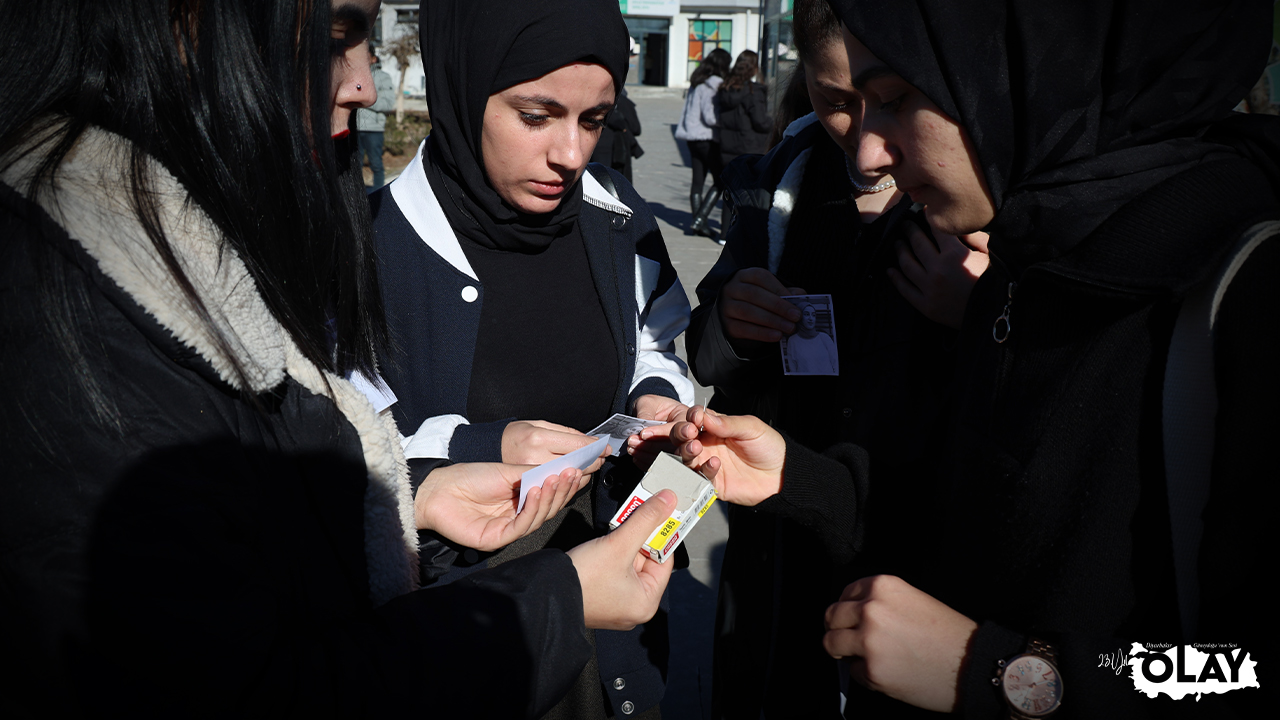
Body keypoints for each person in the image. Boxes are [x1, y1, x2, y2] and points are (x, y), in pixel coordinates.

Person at [0, 0, 679, 716]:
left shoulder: (616, 218)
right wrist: (541, 582)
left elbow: (285, 505)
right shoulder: (79, 303)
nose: (364, 82)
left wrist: (414, 499)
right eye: (335, 37)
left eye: (595, 120)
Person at [673, 0, 1276, 717]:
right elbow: (956, 525)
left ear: (1028, 71)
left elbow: (1245, 670)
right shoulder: (1020, 267)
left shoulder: (1245, 291)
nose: (866, 152)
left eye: (897, 98)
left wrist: (1003, 674)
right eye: (846, 102)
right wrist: (796, 476)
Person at [369, 1, 695, 717]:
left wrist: (656, 400)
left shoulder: (618, 219)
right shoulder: (366, 246)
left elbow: (657, 344)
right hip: (459, 645)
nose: (572, 155)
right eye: (536, 116)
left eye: (593, 120)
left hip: (621, 641)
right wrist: (482, 443)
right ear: (463, 87)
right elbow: (341, 449)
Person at [677, 2, 989, 717]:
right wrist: (731, 320)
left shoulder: (971, 192)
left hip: (906, 535)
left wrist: (973, 312)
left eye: (889, 101)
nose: (866, 135)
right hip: (779, 525)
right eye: (836, 102)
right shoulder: (785, 173)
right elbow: (706, 349)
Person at [675, 47, 731, 239]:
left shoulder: (697, 81)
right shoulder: (713, 84)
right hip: (707, 137)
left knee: (697, 181)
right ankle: (699, 219)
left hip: (691, 137)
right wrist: (728, 121)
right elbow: (710, 116)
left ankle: (699, 225)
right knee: (720, 181)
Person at [715, 50, 771, 168]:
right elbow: (760, 122)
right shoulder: (753, 92)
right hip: (750, 150)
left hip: (727, 149)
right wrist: (774, 123)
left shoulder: (726, 88)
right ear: (753, 68)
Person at [356, 46, 397, 189]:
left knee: (376, 164)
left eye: (365, 56)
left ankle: (379, 195)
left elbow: (388, 103)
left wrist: (365, 99)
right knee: (354, 166)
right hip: (354, 128)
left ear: (374, 58)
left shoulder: (383, 77)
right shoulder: (354, 75)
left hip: (374, 129)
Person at [589, 86, 643, 183]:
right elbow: (636, 129)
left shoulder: (593, 101)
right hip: (619, 148)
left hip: (596, 145)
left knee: (598, 180)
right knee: (618, 182)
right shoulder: (624, 103)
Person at [784, 303, 839, 375]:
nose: (811, 318)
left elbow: (836, 364)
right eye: (806, 314)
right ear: (799, 317)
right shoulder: (793, 341)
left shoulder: (824, 338)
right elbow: (793, 369)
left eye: (813, 315)